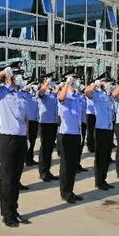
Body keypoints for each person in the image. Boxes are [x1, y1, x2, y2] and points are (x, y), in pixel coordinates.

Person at [0, 62, 31, 228]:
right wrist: (3, 72)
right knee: (8, 179)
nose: (20, 77)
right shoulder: (2, 93)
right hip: (7, 139)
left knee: (16, 178)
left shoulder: (22, 94)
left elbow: (25, 118)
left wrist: (27, 137)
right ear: (10, 77)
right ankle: (7, 214)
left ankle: (14, 210)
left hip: (20, 138)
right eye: (16, 74)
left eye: (20, 74)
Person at [57, 70, 84, 204]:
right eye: (74, 79)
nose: (76, 81)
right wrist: (67, 83)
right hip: (66, 134)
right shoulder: (64, 94)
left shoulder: (78, 96)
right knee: (66, 166)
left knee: (73, 165)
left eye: (77, 79)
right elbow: (61, 98)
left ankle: (70, 190)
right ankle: (65, 192)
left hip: (76, 134)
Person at [84, 72, 115, 191]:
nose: (107, 83)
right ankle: (99, 181)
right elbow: (87, 93)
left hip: (108, 128)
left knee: (107, 156)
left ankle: (104, 179)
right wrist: (94, 85)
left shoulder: (107, 94)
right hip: (100, 128)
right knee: (100, 157)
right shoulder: (96, 94)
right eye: (105, 81)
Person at [37, 72, 59, 182]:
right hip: (45, 123)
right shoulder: (43, 91)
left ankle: (48, 170)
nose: (52, 81)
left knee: (50, 148)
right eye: (50, 80)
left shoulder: (52, 93)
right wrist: (46, 83)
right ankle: (43, 172)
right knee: (44, 148)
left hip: (53, 123)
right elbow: (41, 93)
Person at [20, 77, 39, 166]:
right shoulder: (25, 94)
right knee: (28, 141)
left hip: (35, 120)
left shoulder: (35, 95)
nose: (34, 86)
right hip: (28, 121)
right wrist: (27, 88)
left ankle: (30, 158)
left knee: (33, 140)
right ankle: (26, 158)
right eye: (33, 84)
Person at [76, 83, 89, 172]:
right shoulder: (75, 96)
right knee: (75, 146)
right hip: (76, 124)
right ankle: (73, 164)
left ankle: (77, 163)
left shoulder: (83, 96)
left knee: (80, 145)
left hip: (83, 123)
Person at [85, 83, 97, 153]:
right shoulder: (88, 89)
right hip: (89, 113)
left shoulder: (96, 91)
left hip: (96, 113)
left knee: (95, 131)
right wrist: (92, 86)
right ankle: (90, 146)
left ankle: (95, 145)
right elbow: (86, 92)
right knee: (90, 131)